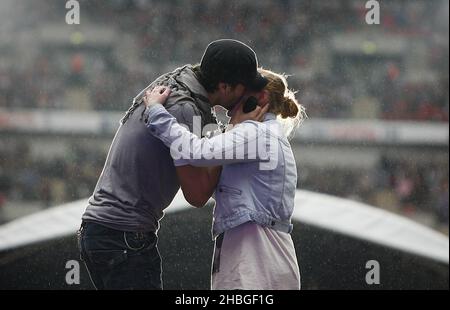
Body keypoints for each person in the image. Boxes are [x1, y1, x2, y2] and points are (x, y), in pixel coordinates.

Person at [77, 39, 269, 290]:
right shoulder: (185, 109)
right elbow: (197, 195)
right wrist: (234, 135)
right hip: (124, 236)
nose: (247, 96)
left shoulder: (177, 82)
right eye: (244, 88)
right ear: (224, 86)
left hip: (107, 232)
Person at [143, 68, 306, 290]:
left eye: (237, 100)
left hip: (253, 256)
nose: (229, 112)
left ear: (261, 99)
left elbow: (197, 152)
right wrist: (231, 129)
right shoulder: (267, 135)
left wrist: (155, 112)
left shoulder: (256, 133)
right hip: (269, 253)